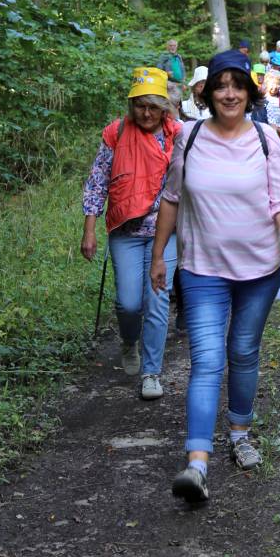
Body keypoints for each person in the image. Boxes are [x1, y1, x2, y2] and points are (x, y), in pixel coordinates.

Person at [150, 48, 280, 504]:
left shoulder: (265, 138)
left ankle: (240, 432)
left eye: (237, 85)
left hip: (259, 270)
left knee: (242, 351)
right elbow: (172, 198)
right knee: (206, 360)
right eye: (221, 86)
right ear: (207, 93)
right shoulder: (189, 137)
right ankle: (197, 464)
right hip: (202, 269)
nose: (229, 93)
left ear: (248, 92)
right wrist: (159, 255)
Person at [81, 67, 181, 400]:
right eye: (140, 106)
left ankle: (152, 372)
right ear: (131, 106)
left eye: (153, 107)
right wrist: (89, 230)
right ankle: (129, 340)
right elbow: (98, 181)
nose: (146, 113)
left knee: (157, 300)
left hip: (165, 233)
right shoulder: (117, 132)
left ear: (164, 108)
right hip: (125, 230)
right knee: (128, 303)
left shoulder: (178, 135)